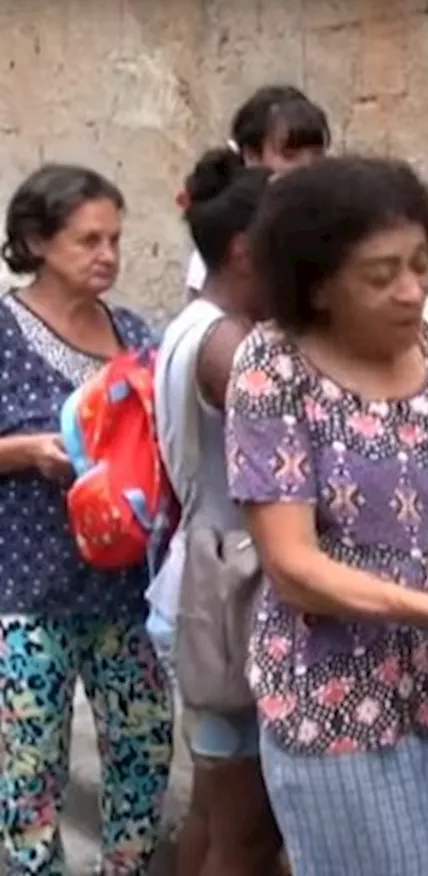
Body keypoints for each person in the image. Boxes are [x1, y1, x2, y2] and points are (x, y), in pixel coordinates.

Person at [225, 155, 428, 876]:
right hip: (339, 702)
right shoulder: (272, 369)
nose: (412, 291)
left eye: (422, 264)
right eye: (381, 275)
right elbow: (294, 568)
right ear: (318, 285)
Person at [0, 165, 173, 874]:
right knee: (28, 774)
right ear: (37, 241)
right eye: (88, 240)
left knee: (144, 751)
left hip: (123, 594)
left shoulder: (132, 335)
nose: (107, 255)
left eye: (115, 240)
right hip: (26, 594)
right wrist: (24, 453)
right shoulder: (5, 331)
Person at [150, 149, 281, 874]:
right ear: (242, 251)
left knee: (212, 808)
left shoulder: (195, 324)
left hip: (199, 577)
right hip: (227, 596)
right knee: (248, 837)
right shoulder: (230, 347)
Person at [183, 84, 329, 296]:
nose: (307, 168)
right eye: (289, 155)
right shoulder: (224, 242)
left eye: (317, 154)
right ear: (251, 156)